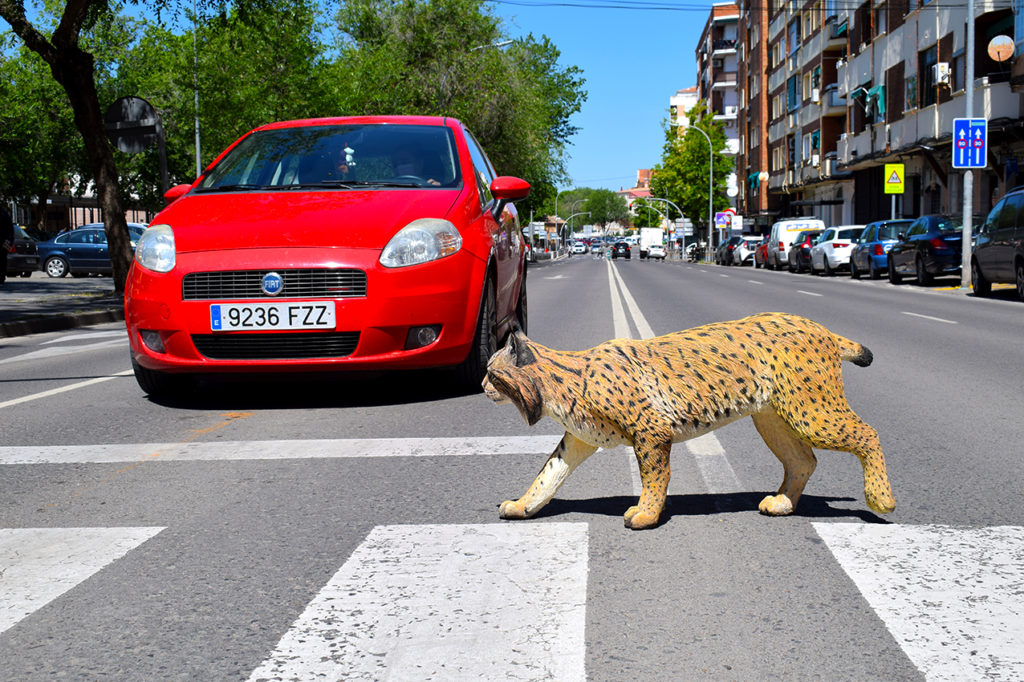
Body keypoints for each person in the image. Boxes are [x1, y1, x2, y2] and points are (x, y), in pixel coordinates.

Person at [0, 205, 14, 286]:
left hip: (3, 241)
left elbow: (9, 230)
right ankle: (1, 277)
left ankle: (1, 277)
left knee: (2, 260)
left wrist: (9, 240)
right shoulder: (5, 214)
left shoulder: (4, 214)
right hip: (5, 241)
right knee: (2, 260)